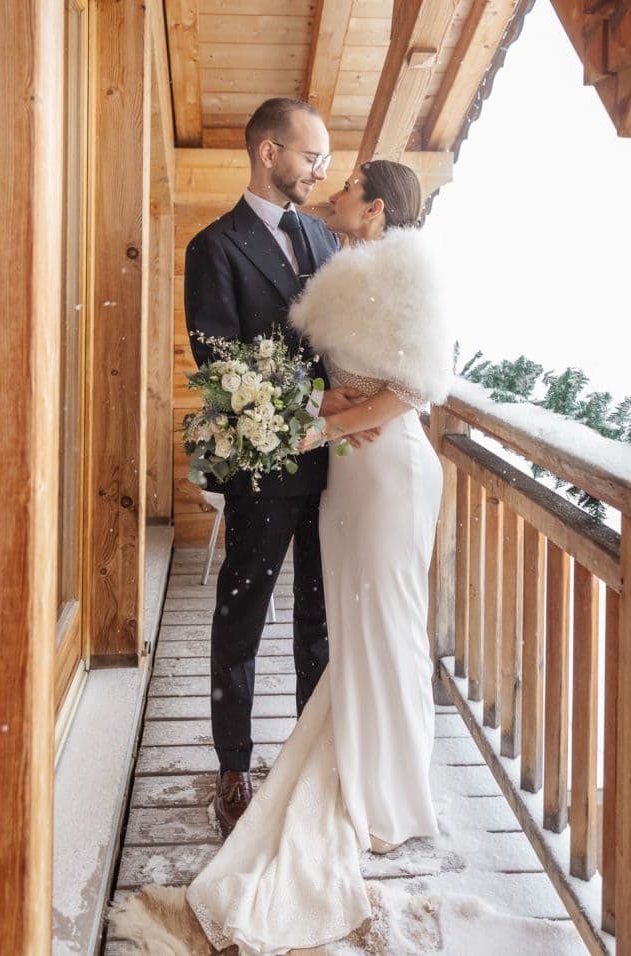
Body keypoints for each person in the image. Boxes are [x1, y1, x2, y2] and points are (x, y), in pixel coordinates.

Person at [184, 159, 454, 954]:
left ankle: (392, 796)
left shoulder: (407, 270)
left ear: (373, 208)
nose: (328, 188)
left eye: (344, 187)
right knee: (350, 622)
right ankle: (317, 765)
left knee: (391, 626)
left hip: (389, 474)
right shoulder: (333, 260)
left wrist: (322, 425)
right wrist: (322, 413)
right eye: (317, 168)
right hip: (342, 478)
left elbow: (414, 388)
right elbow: (289, 365)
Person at [182, 97, 367, 836]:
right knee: (242, 619)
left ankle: (309, 763)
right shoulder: (213, 247)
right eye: (311, 155)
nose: (321, 169)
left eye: (324, 158)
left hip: (339, 471)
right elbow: (218, 365)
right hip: (262, 469)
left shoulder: (325, 236)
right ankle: (234, 769)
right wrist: (322, 403)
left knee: (319, 622)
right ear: (268, 153)